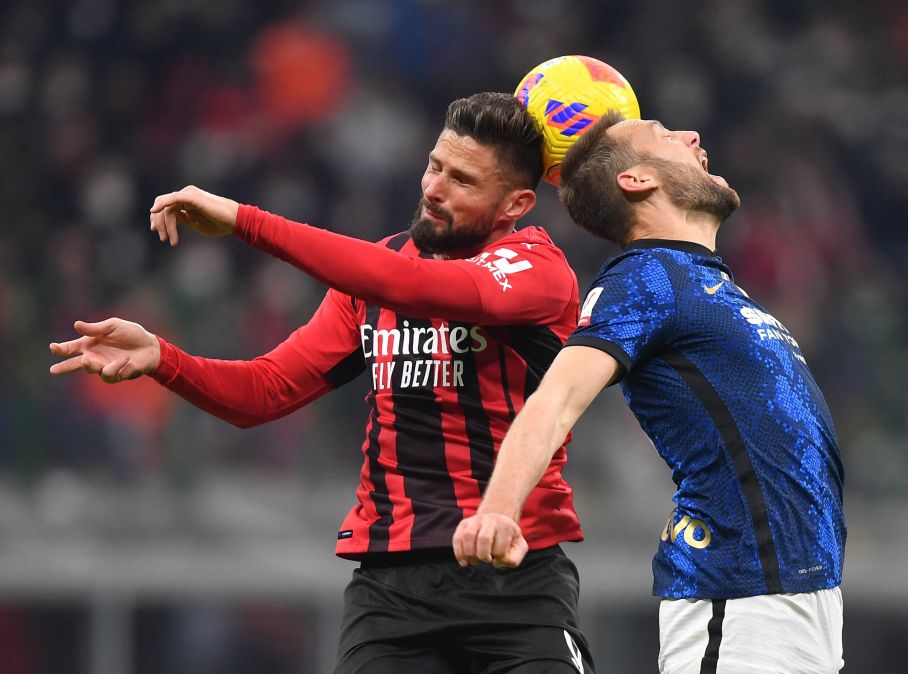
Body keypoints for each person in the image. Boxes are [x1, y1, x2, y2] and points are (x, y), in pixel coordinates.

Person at [49, 92, 595, 673]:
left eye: (462, 181)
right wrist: (164, 358)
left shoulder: (537, 270)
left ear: (517, 203)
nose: (434, 189)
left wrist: (245, 221)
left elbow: (423, 289)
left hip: (517, 578)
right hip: (392, 590)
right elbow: (264, 391)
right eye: (435, 165)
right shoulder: (375, 276)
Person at [453, 111, 846, 674]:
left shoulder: (712, 285)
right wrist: (497, 510)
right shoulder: (644, 278)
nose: (693, 136)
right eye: (667, 136)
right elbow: (558, 398)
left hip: (803, 597)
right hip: (737, 597)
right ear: (637, 180)